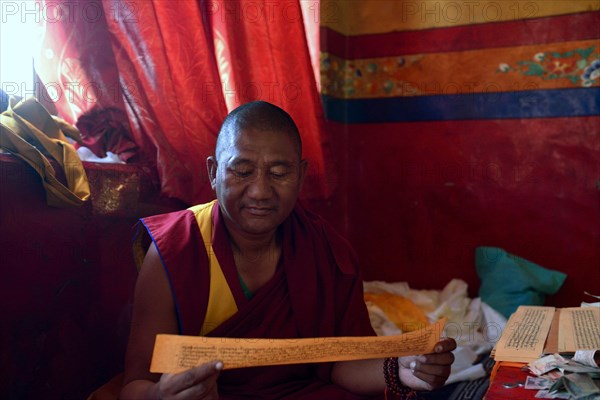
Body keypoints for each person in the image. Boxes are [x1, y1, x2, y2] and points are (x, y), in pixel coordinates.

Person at [119, 101, 456, 400]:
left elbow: (341, 361)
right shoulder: (177, 247)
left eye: (279, 173)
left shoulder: (326, 250)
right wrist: (164, 395)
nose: (260, 191)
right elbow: (136, 384)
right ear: (213, 172)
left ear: (301, 175)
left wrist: (402, 369)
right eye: (242, 170)